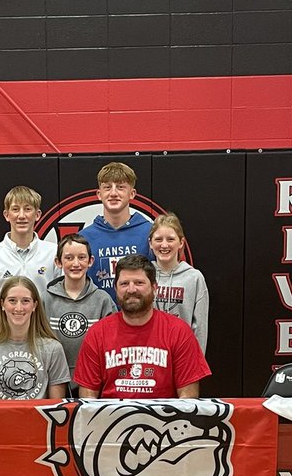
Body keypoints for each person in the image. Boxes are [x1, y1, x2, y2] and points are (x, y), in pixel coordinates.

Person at [73, 255, 210, 399]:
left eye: (139, 282)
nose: (131, 290)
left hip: (164, 419)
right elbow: (88, 398)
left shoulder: (179, 331)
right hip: (111, 420)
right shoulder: (97, 333)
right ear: (115, 288)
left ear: (154, 287)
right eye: (124, 283)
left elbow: (188, 398)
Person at [0, 276, 70, 400]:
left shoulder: (53, 349)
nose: (18, 308)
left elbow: (56, 410)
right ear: (2, 304)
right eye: (12, 300)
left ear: (35, 305)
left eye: (25, 301)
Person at [43, 234, 117, 385]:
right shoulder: (46, 299)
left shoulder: (103, 300)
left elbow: (113, 344)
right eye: (69, 258)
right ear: (58, 262)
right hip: (53, 379)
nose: (76, 263)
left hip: (94, 379)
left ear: (91, 261)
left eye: (82, 257)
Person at [81, 161, 153, 299]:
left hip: (140, 316)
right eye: (107, 187)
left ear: (132, 194)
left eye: (120, 187)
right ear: (99, 194)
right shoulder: (84, 238)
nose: (113, 193)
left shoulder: (150, 233)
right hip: (99, 317)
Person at [0, 185, 57, 305]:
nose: (21, 216)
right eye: (15, 209)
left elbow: (59, 301)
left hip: (42, 324)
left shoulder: (53, 252)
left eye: (27, 209)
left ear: (37, 215)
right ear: (6, 215)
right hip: (3, 324)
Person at [150, 212, 209, 352]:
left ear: (180, 243)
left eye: (170, 239)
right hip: (149, 355)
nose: (164, 245)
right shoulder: (143, 275)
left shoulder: (194, 278)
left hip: (182, 355)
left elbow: (199, 327)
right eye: (158, 239)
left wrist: (195, 363)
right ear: (150, 243)